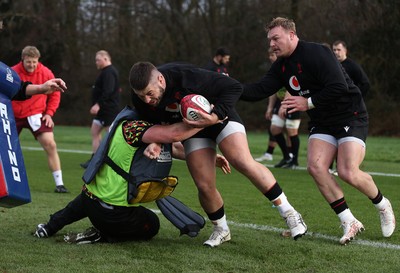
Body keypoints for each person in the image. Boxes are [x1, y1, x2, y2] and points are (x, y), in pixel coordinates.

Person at [241, 17, 395, 245]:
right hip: (323, 121)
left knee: (347, 171)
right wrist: (225, 87)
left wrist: (307, 102)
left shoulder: (317, 53)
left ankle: (382, 205)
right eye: (269, 40)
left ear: (292, 35)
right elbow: (258, 90)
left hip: (349, 114)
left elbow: (339, 86)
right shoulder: (281, 67)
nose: (271, 44)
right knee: (315, 166)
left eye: (276, 38)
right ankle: (348, 221)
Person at [129, 62, 307, 247]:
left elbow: (234, 87)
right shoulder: (140, 100)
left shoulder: (186, 77)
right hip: (192, 128)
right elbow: (155, 124)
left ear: (160, 79)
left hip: (219, 117)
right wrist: (156, 142)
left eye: (149, 94)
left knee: (241, 160)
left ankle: (290, 213)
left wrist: (215, 116)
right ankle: (221, 229)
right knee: (204, 183)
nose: (147, 100)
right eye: (142, 96)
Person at [33, 107, 230, 244]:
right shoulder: (135, 128)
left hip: (91, 196)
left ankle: (49, 227)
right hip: (111, 211)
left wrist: (209, 159)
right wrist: (209, 119)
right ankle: (103, 235)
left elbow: (174, 147)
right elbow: (174, 136)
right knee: (152, 225)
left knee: (83, 201)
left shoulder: (128, 121)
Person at [11, 46, 68, 193]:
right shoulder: (12, 72)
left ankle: (59, 184)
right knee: (3, 147)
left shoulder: (46, 73)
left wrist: (49, 113)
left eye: (34, 62)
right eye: (29, 62)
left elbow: (55, 94)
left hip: (36, 113)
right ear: (22, 59)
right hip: (13, 114)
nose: (32, 65)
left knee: (50, 144)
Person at [255, 48, 302, 169]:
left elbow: (291, 87)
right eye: (270, 55)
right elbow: (272, 90)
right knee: (275, 129)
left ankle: (294, 160)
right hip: (280, 103)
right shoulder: (274, 69)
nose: (270, 57)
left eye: (273, 54)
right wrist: (270, 107)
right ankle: (286, 157)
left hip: (293, 101)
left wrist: (284, 105)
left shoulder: (288, 66)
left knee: (292, 132)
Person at [80, 50, 121, 169]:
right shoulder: (105, 72)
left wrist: (98, 104)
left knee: (112, 136)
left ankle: (114, 160)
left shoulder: (109, 72)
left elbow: (108, 91)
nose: (96, 62)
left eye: (98, 60)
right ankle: (95, 159)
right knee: (94, 131)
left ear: (106, 59)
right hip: (103, 111)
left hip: (108, 110)